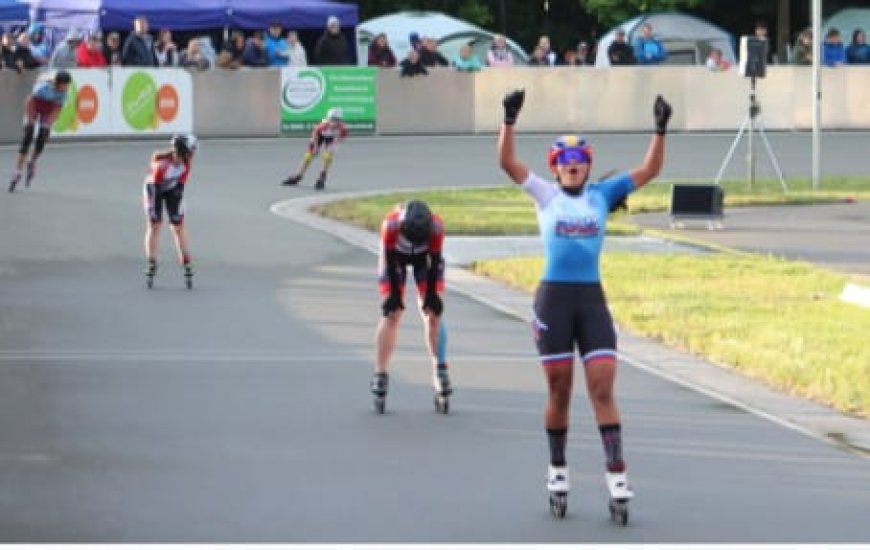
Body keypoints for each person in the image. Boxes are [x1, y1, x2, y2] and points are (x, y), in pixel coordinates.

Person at [497, 88, 671, 519]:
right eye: (564, 164)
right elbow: (507, 164)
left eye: (579, 163)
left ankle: (617, 474)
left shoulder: (603, 194)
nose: (572, 169)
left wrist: (660, 128)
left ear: (588, 166)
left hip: (591, 301)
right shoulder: (544, 194)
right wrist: (509, 119)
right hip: (554, 301)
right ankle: (557, 469)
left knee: (602, 388)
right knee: (559, 390)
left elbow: (649, 169)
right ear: (555, 169)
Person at [370, 199, 452, 414]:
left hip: (424, 259)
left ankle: (440, 367)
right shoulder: (391, 225)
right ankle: (380, 373)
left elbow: (434, 262)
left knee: (432, 313)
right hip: (394, 257)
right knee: (392, 314)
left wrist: (432, 296)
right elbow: (388, 258)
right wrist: (395, 296)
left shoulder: (436, 227)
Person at [143, 134, 199, 290]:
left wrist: (176, 215)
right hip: (154, 188)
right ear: (183, 151)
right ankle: (152, 261)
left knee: (178, 226)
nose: (193, 154)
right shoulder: (161, 166)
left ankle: (185, 258)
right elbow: (154, 192)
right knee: (155, 224)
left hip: (172, 189)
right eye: (191, 151)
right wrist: (155, 214)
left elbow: (179, 189)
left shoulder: (186, 165)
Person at [8, 70, 71, 193]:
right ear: (58, 83)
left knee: (43, 135)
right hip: (34, 106)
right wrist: (30, 120)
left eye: (67, 85)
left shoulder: (64, 93)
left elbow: (57, 110)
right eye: (65, 85)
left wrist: (48, 125)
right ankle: (18, 170)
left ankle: (32, 162)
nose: (66, 87)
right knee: (28, 135)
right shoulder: (43, 87)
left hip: (48, 110)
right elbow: (29, 102)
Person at [280, 107, 347, 190]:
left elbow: (341, 138)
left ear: (340, 121)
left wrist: (333, 146)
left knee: (328, 156)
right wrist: (315, 147)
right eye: (332, 120)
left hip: (331, 138)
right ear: (328, 119)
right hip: (318, 136)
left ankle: (322, 176)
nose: (333, 123)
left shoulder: (343, 129)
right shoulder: (323, 126)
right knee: (309, 155)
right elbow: (315, 134)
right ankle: (298, 175)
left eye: (336, 120)